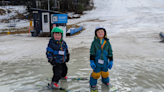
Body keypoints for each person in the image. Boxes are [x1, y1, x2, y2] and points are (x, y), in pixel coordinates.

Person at [89, 26, 113, 91]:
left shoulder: (107, 42)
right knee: (96, 74)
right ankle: (93, 84)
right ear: (96, 33)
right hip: (96, 61)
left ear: (104, 33)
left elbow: (110, 51)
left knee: (105, 73)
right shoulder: (94, 42)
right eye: (98, 32)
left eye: (102, 32)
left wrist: (111, 60)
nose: (100, 33)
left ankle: (106, 82)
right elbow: (92, 51)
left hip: (105, 61)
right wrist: (91, 61)